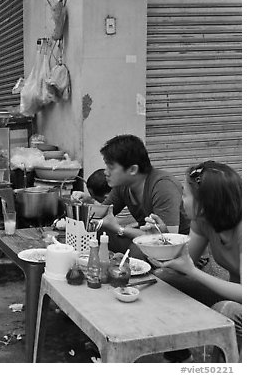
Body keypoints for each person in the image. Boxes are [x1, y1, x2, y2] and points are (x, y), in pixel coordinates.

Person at [145, 161, 241, 362]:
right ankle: (179, 357)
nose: (181, 201)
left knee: (229, 311)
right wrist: (162, 238)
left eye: (185, 195)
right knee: (165, 280)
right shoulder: (202, 220)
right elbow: (183, 260)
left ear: (205, 202)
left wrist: (194, 272)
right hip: (233, 293)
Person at [73, 134, 189, 258]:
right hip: (149, 241)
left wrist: (119, 228)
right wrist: (89, 201)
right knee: (100, 230)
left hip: (181, 253)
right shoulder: (123, 186)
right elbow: (104, 214)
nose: (105, 172)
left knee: (137, 250)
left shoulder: (163, 186)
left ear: (133, 170)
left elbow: (167, 240)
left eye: (111, 167)